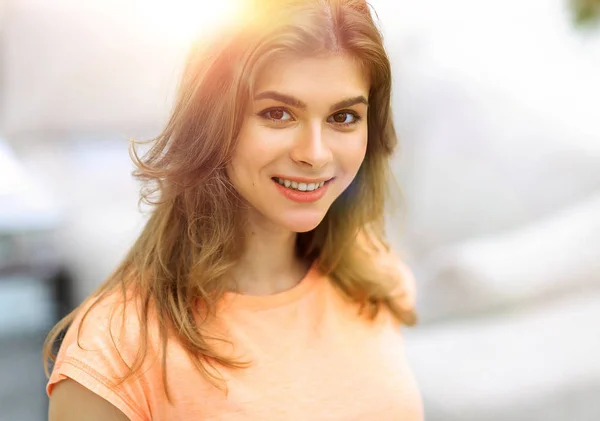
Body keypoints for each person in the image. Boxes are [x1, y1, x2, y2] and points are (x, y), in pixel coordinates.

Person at [44, 0, 423, 419]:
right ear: (212, 124)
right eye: (278, 114)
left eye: (344, 116)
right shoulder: (115, 352)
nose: (315, 155)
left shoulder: (373, 277)